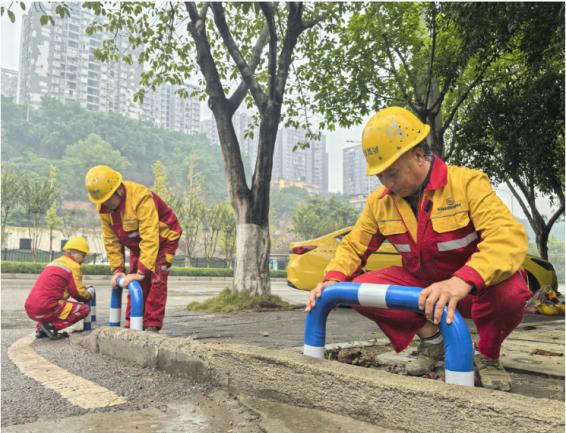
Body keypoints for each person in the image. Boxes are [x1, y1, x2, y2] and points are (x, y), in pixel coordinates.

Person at [306, 107, 532, 391]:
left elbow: (506, 237)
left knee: (510, 290)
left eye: (393, 173)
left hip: (472, 291)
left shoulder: (467, 183)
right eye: (380, 176)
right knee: (359, 289)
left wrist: (462, 281)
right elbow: (353, 245)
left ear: (417, 154)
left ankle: (487, 354)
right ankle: (433, 340)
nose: (388, 183)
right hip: (424, 293)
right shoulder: (380, 202)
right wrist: (331, 281)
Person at [84, 165, 182, 332]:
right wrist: (118, 270)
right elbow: (111, 240)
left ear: (118, 191)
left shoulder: (141, 197)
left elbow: (150, 236)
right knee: (134, 281)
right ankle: (133, 322)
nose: (106, 204)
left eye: (108, 199)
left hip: (163, 239)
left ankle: (152, 324)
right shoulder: (104, 208)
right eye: (102, 201)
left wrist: (142, 271)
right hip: (137, 245)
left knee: (156, 278)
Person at [25, 237, 95, 340]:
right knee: (84, 309)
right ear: (76, 253)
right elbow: (78, 293)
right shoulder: (74, 266)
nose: (83, 259)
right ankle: (52, 327)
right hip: (47, 308)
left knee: (59, 304)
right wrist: (89, 293)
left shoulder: (55, 262)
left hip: (31, 308)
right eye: (83, 255)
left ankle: (42, 329)